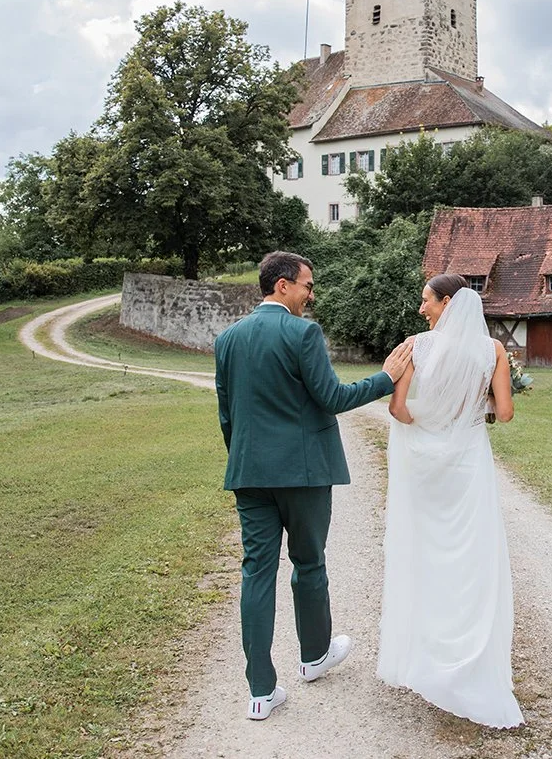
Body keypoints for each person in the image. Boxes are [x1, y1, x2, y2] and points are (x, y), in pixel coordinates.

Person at [215, 250, 413, 720]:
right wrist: (386, 378)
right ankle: (314, 657)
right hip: (303, 474)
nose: (311, 294)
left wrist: (246, 462)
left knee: (256, 573)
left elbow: (227, 414)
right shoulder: (303, 333)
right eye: (307, 285)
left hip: (249, 474)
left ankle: (260, 692)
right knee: (308, 562)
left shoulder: (227, 339)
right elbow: (332, 397)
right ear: (282, 285)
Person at [376, 273, 524, 728]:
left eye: (427, 301)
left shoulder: (416, 347)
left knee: (425, 553)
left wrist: (428, 423)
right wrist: (471, 410)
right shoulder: (493, 351)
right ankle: (470, 660)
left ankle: (426, 656)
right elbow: (505, 412)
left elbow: (397, 409)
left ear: (447, 303)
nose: (422, 308)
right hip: (469, 463)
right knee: (471, 558)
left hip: (426, 465)